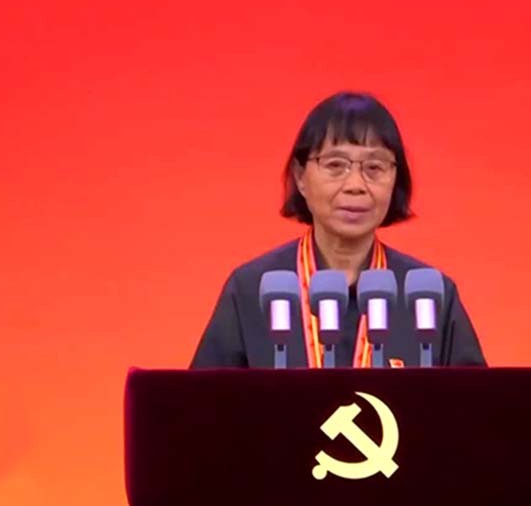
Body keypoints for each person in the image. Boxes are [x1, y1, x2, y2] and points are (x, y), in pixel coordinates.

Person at [189, 92, 486, 369]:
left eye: (374, 167)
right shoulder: (253, 289)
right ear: (300, 177)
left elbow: (477, 402)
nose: (355, 185)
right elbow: (202, 402)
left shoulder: (427, 295)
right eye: (335, 165)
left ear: (396, 178)